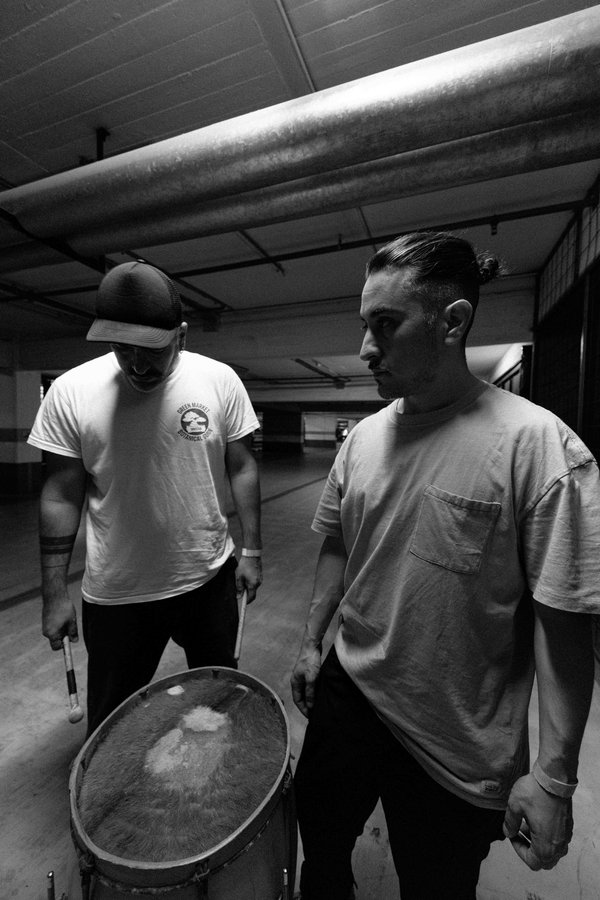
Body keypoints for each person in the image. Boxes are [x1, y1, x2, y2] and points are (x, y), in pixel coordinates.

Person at [290, 231, 600, 900]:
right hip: (351, 688)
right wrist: (313, 642)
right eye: (364, 325)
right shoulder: (363, 440)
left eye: (386, 324)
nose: (366, 347)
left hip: (455, 740)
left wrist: (553, 780)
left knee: (436, 886)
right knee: (320, 845)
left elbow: (564, 626)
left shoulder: (538, 447)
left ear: (452, 322)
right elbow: (338, 544)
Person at [29, 261, 262, 736]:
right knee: (111, 727)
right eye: (122, 348)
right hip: (118, 592)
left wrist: (252, 550)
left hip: (208, 577)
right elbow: (60, 495)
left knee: (218, 706)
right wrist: (53, 593)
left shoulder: (220, 380)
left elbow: (241, 466)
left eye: (151, 349)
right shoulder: (71, 392)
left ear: (182, 335)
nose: (136, 364)